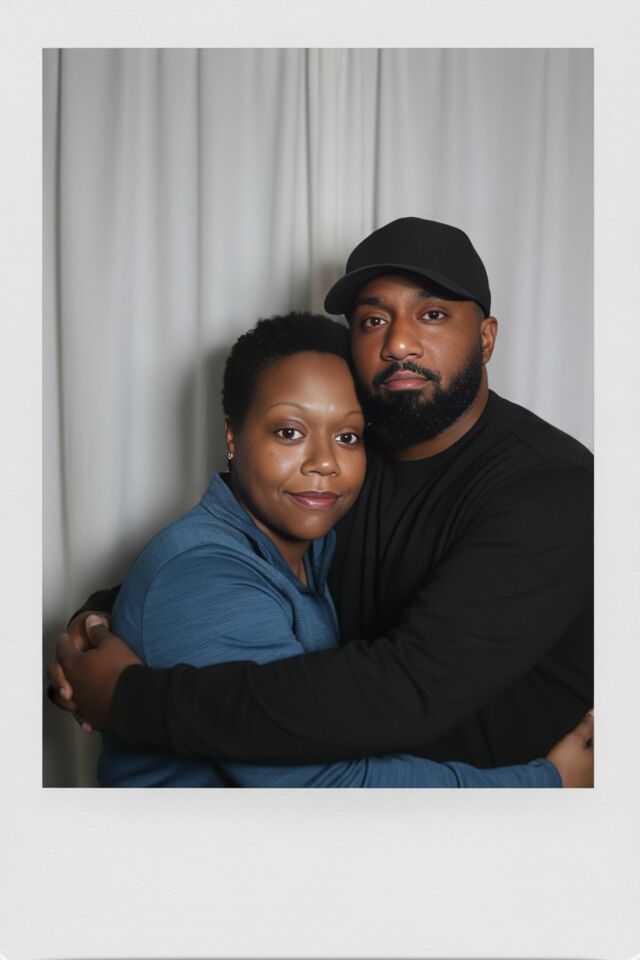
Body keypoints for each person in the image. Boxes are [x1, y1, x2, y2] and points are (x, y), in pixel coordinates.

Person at [49, 217, 593, 776]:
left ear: (486, 338)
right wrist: (110, 615)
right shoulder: (350, 456)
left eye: (432, 314)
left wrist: (130, 700)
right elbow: (240, 559)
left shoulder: (551, 488)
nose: (398, 343)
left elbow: (403, 688)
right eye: (373, 320)